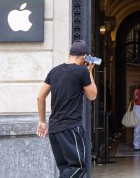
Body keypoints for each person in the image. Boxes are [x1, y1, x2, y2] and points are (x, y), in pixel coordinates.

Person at [36, 40, 97, 178]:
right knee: (78, 167)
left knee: (65, 168)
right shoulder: (82, 71)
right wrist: (89, 72)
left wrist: (42, 122)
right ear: (84, 57)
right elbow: (92, 95)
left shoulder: (54, 71)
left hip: (55, 128)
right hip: (71, 128)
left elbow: (40, 97)